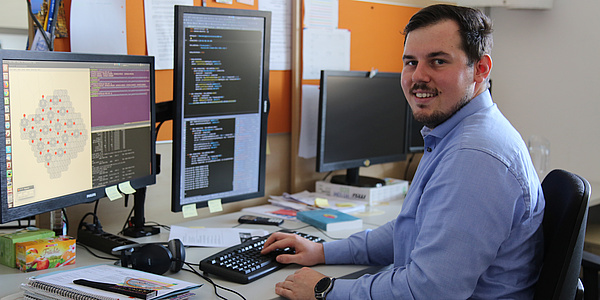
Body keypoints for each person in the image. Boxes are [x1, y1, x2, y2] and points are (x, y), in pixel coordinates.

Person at [262, 4, 545, 300]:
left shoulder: (473, 157)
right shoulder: (456, 134)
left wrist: (325, 289)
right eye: (410, 62)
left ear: (481, 69)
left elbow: (429, 291)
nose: (417, 77)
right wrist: (321, 250)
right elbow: (409, 231)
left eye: (437, 61)